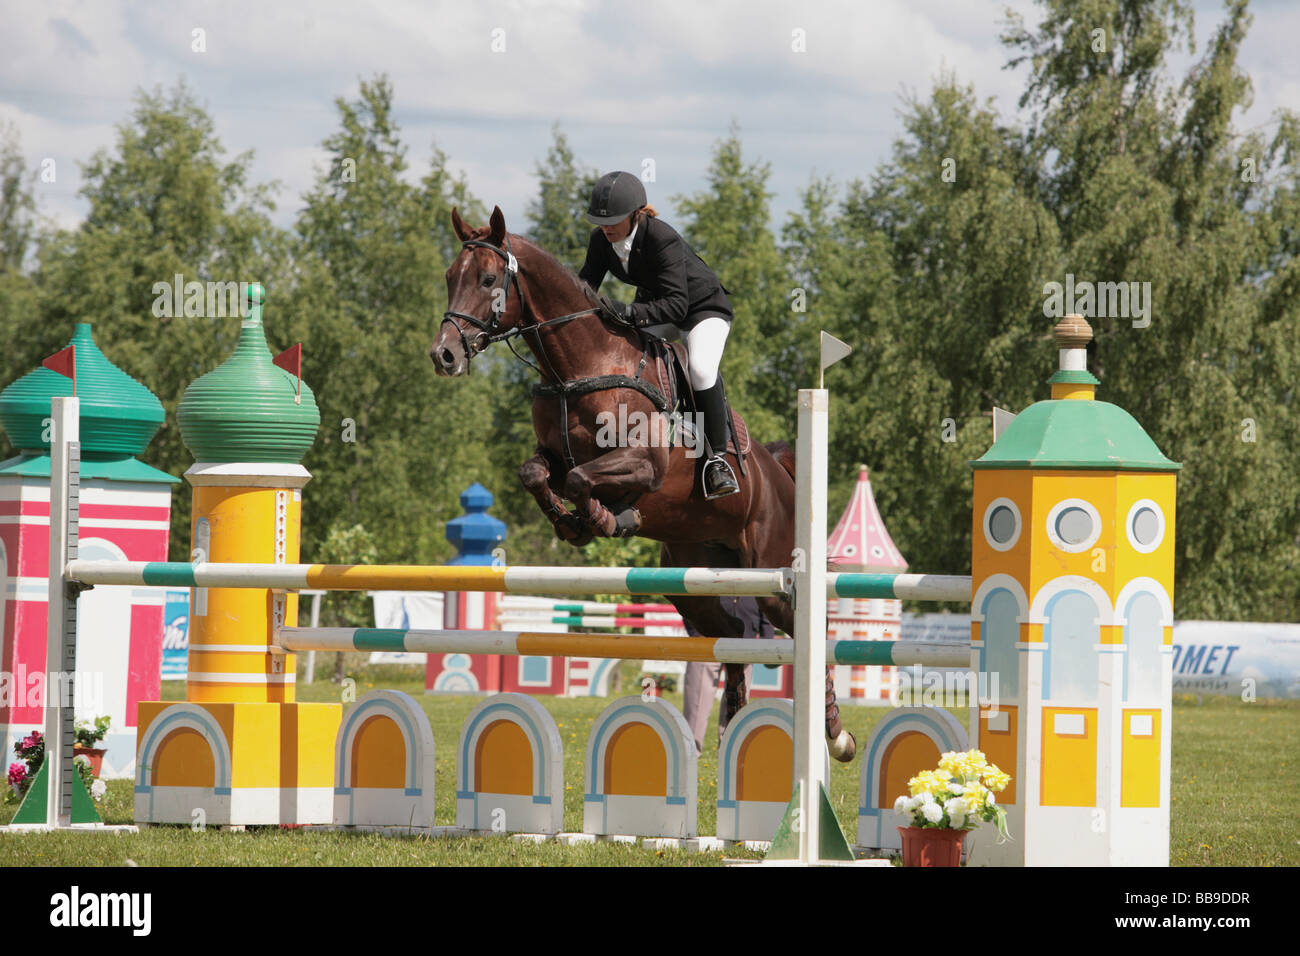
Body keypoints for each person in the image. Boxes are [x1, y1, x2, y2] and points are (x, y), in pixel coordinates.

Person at [578, 170, 739, 499]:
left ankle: (717, 460)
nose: (607, 227)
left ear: (636, 214)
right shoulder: (601, 241)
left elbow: (678, 306)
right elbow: (584, 288)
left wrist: (627, 312)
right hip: (657, 308)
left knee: (700, 370)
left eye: (615, 220)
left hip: (701, 310)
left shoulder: (660, 237)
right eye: (601, 221)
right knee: (622, 351)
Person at [680, 596, 774, 753]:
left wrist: (767, 636)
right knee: (696, 702)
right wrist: (695, 631)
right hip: (707, 635)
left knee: (739, 701)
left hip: (746, 637)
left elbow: (766, 595)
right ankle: (689, 752)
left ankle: (730, 751)